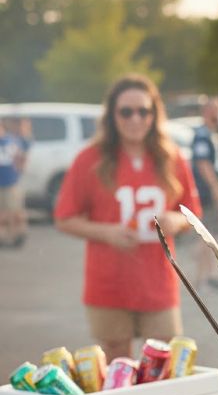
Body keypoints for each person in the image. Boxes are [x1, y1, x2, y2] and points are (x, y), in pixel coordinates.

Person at [54, 74, 201, 360]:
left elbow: (192, 213)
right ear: (112, 116)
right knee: (117, 362)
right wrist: (106, 232)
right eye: (126, 111)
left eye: (144, 111)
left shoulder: (171, 157)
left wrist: (176, 221)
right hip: (108, 281)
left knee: (162, 362)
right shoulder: (90, 159)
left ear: (154, 114)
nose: (135, 119)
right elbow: (64, 218)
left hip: (158, 280)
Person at [191, 97, 218, 289]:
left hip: (212, 189)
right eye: (215, 110)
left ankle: (210, 274)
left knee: (213, 234)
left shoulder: (213, 134)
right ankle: (200, 278)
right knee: (207, 235)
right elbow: (203, 163)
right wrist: (214, 187)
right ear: (206, 112)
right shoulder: (203, 135)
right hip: (206, 192)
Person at [0, 118, 30, 248]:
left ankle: (18, 235)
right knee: (3, 213)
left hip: (10, 183)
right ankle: (3, 237)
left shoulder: (11, 141)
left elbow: (21, 156)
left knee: (14, 211)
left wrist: (19, 170)